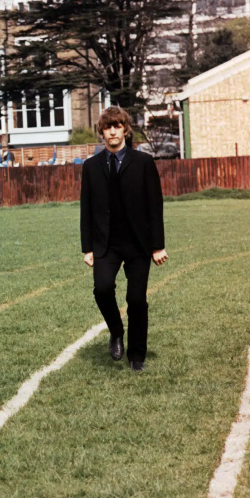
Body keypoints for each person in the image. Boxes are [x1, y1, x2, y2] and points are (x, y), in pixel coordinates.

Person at [80, 106, 168, 372]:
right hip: (106, 244)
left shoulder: (143, 163)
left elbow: (155, 205)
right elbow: (86, 209)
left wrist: (158, 245)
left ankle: (137, 355)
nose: (113, 132)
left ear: (126, 130)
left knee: (137, 299)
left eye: (118, 126)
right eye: (108, 128)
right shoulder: (91, 167)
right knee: (103, 288)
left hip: (138, 244)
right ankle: (116, 331)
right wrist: (87, 248)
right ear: (102, 133)